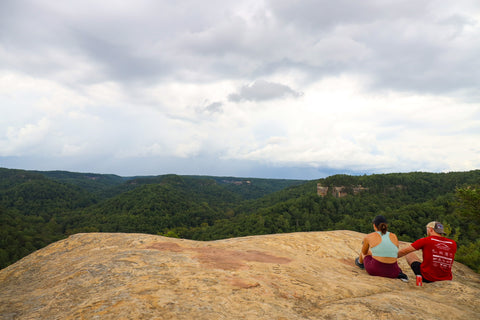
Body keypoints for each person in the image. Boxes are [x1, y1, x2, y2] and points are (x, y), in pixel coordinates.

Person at [355, 215, 408, 281]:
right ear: (386, 225)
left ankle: (360, 263)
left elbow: (364, 252)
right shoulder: (394, 236)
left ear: (374, 225)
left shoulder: (369, 236)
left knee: (365, 253)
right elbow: (393, 253)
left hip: (375, 270)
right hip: (393, 272)